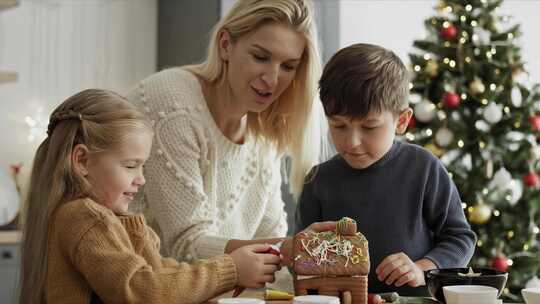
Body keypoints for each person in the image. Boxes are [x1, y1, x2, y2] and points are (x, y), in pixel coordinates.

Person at [18, 89, 284, 304]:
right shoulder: (84, 217)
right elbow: (143, 290)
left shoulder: (94, 218)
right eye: (130, 165)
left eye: (142, 166)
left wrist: (133, 229)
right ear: (82, 160)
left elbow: (156, 272)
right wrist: (230, 269)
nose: (141, 178)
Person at [125, 0, 327, 270]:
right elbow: (185, 246)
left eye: (288, 66)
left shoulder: (262, 132)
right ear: (225, 45)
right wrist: (285, 250)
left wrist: (302, 257)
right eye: (260, 57)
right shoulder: (173, 105)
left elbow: (270, 239)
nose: (272, 79)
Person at [294, 43, 477, 297]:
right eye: (339, 126)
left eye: (369, 127)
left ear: (401, 121)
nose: (351, 142)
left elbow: (460, 237)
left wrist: (421, 268)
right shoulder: (318, 180)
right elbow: (301, 256)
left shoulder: (424, 168)